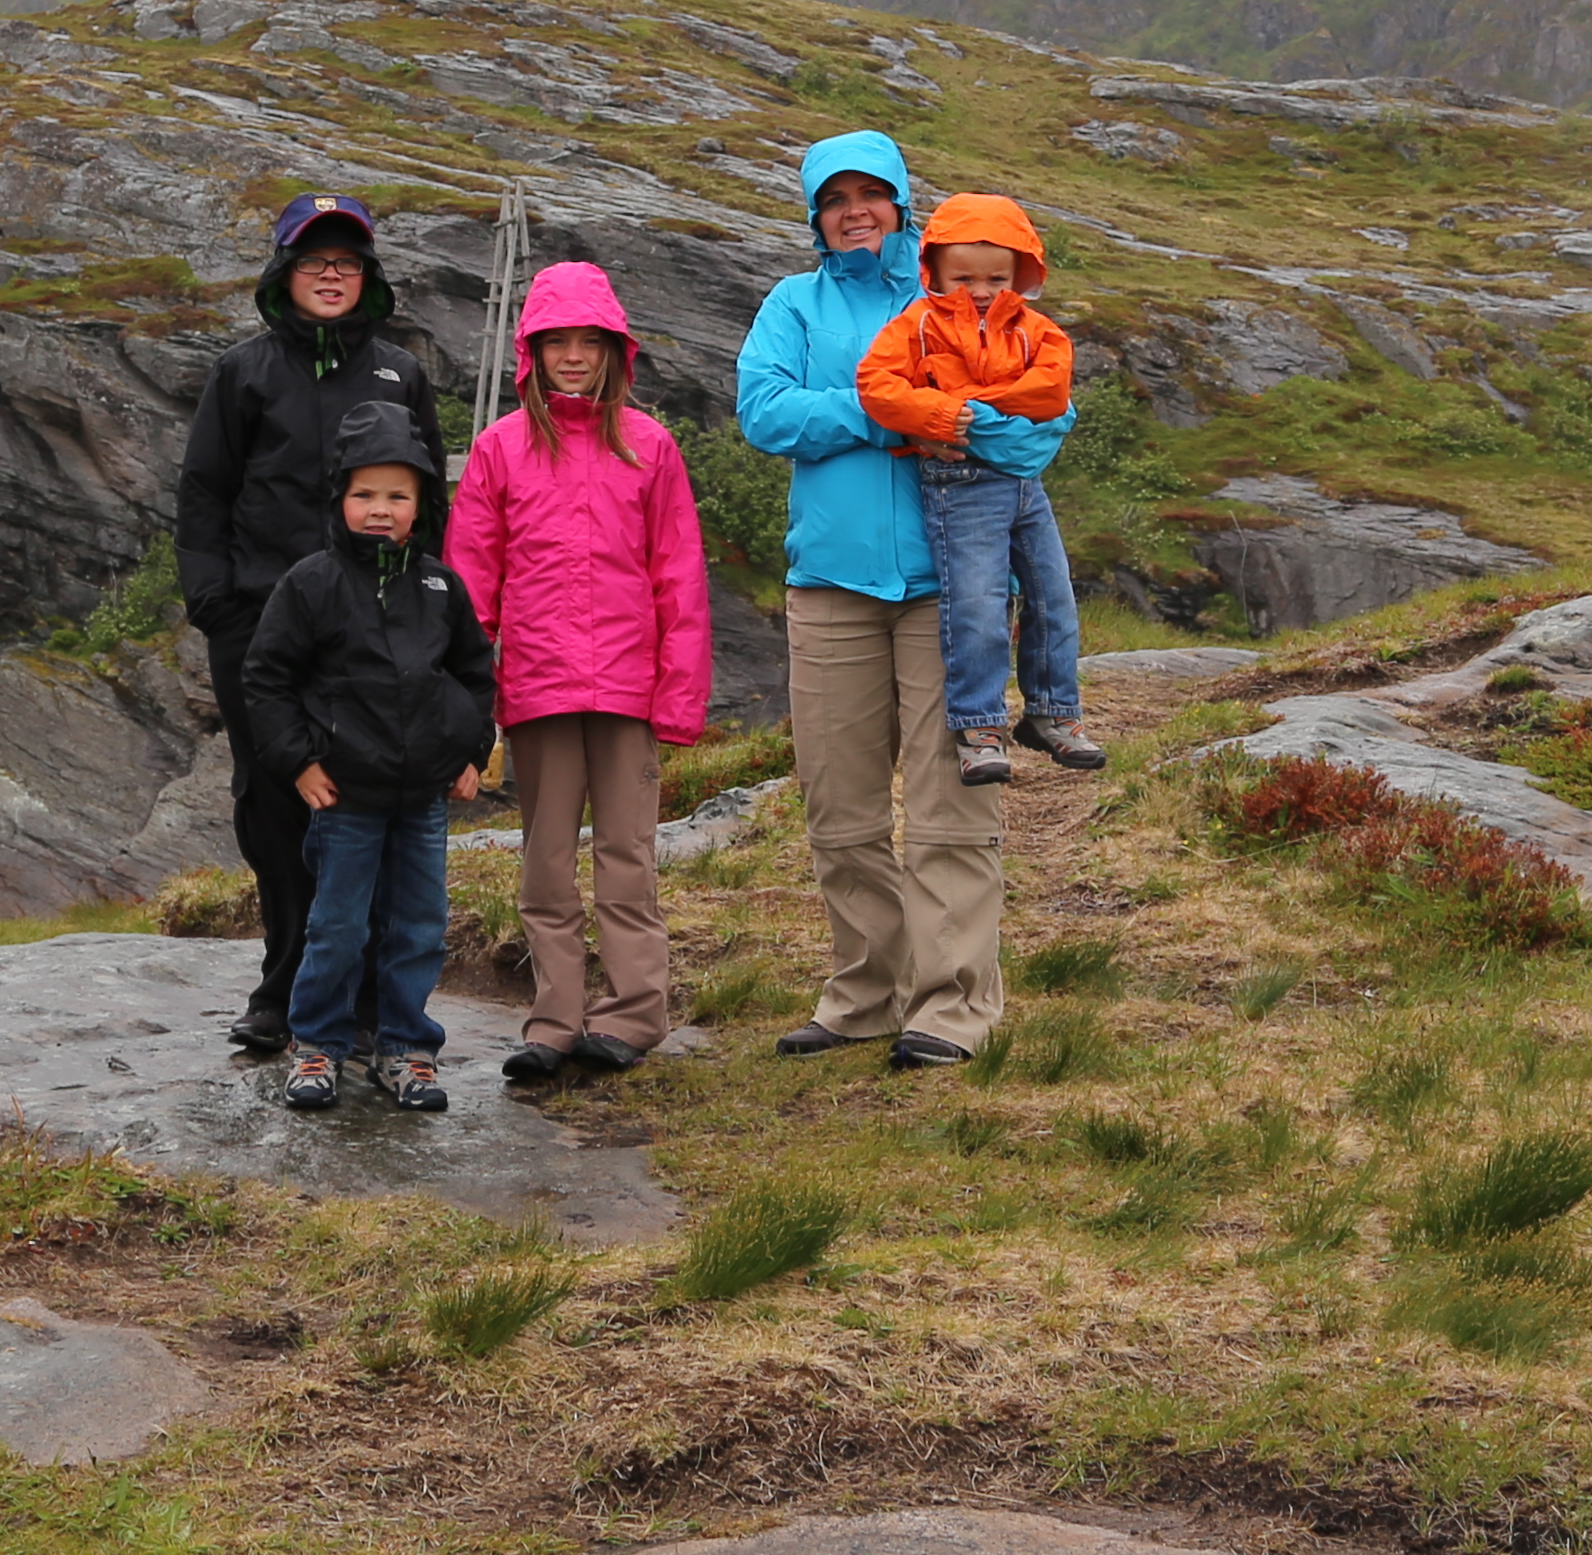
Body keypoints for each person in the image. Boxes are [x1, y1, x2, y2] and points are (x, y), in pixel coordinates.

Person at [729, 129, 1003, 1067]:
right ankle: (866, 994)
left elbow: (1009, 405)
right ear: (815, 215)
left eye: (871, 194)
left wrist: (864, 409)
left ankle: (953, 1008)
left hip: (952, 587)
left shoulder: (950, 295)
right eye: (835, 198)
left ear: (900, 204)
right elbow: (763, 412)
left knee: (948, 808)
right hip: (831, 589)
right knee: (839, 809)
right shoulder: (791, 302)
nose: (855, 211)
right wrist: (886, 411)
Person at [174, 194, 443, 1057]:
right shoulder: (242, 372)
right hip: (258, 628)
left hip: (372, 631)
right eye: (314, 259)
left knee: (366, 801)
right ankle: (284, 985)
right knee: (275, 804)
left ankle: (364, 996)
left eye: (348, 261)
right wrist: (214, 605)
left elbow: (427, 502)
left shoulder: (402, 373)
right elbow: (204, 493)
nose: (332, 274)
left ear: (368, 277)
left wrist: (419, 606)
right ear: (283, 272)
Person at [444, 257, 714, 1089]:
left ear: (613, 351)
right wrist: (466, 704)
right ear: (530, 350)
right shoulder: (499, 450)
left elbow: (679, 575)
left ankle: (634, 1015)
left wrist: (679, 695)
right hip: (537, 689)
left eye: (586, 342)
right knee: (546, 861)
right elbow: (470, 583)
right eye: (554, 341)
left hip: (629, 689)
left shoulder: (652, 446)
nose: (571, 356)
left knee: (628, 856)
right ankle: (553, 1021)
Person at [238, 402, 498, 1114]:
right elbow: (266, 679)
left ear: (421, 506)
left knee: (417, 924)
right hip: (345, 796)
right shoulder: (311, 583)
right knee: (339, 926)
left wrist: (473, 749)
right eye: (363, 494)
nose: (380, 510)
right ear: (338, 499)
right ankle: (317, 1045)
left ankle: (407, 1048)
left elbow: (476, 675)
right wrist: (298, 762)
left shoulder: (442, 587)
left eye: (397, 495)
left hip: (423, 801)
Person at [854, 192, 1103, 788]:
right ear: (933, 271)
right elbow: (875, 385)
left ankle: (1051, 714)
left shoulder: (1037, 330)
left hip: (1022, 484)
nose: (981, 289)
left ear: (1021, 272)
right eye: (963, 277)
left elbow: (1052, 390)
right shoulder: (914, 326)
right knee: (977, 605)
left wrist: (966, 407)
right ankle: (979, 724)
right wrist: (940, 419)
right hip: (958, 485)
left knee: (1054, 597)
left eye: (996, 276)